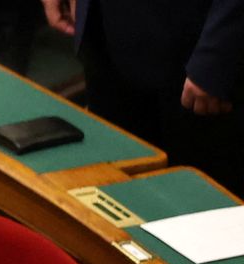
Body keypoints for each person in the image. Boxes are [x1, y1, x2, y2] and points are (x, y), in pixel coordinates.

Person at [42, 0, 244, 197]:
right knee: (118, 198)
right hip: (103, 38)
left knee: (201, 206)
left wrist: (219, 51)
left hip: (194, 58)